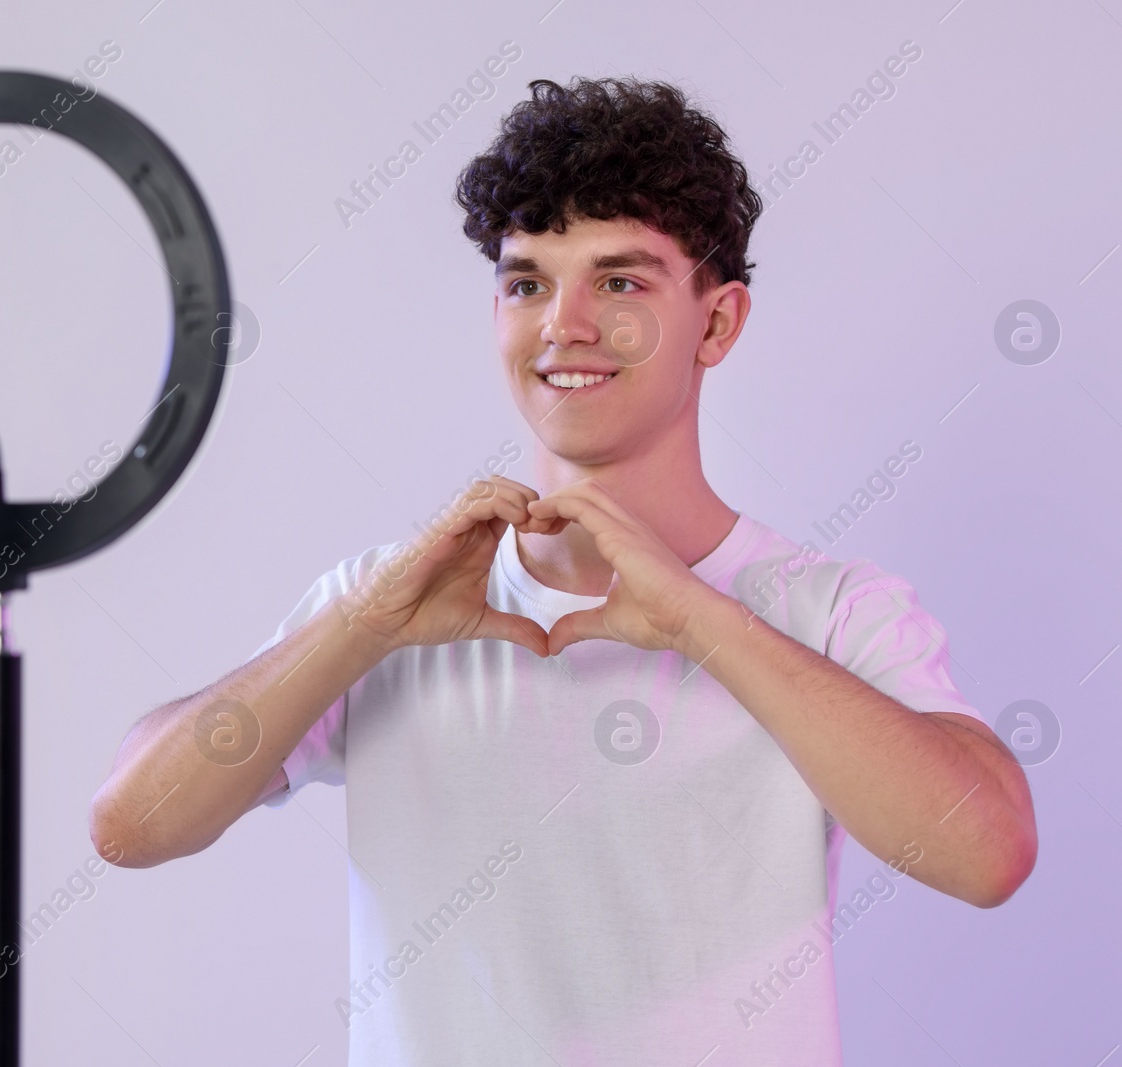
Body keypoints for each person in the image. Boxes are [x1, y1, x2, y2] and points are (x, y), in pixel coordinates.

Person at [89, 76, 1036, 1066]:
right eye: (526, 281)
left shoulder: (830, 609)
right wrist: (362, 628)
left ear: (716, 324)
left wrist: (699, 622)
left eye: (620, 282)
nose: (563, 325)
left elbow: (985, 852)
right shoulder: (394, 605)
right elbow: (129, 821)